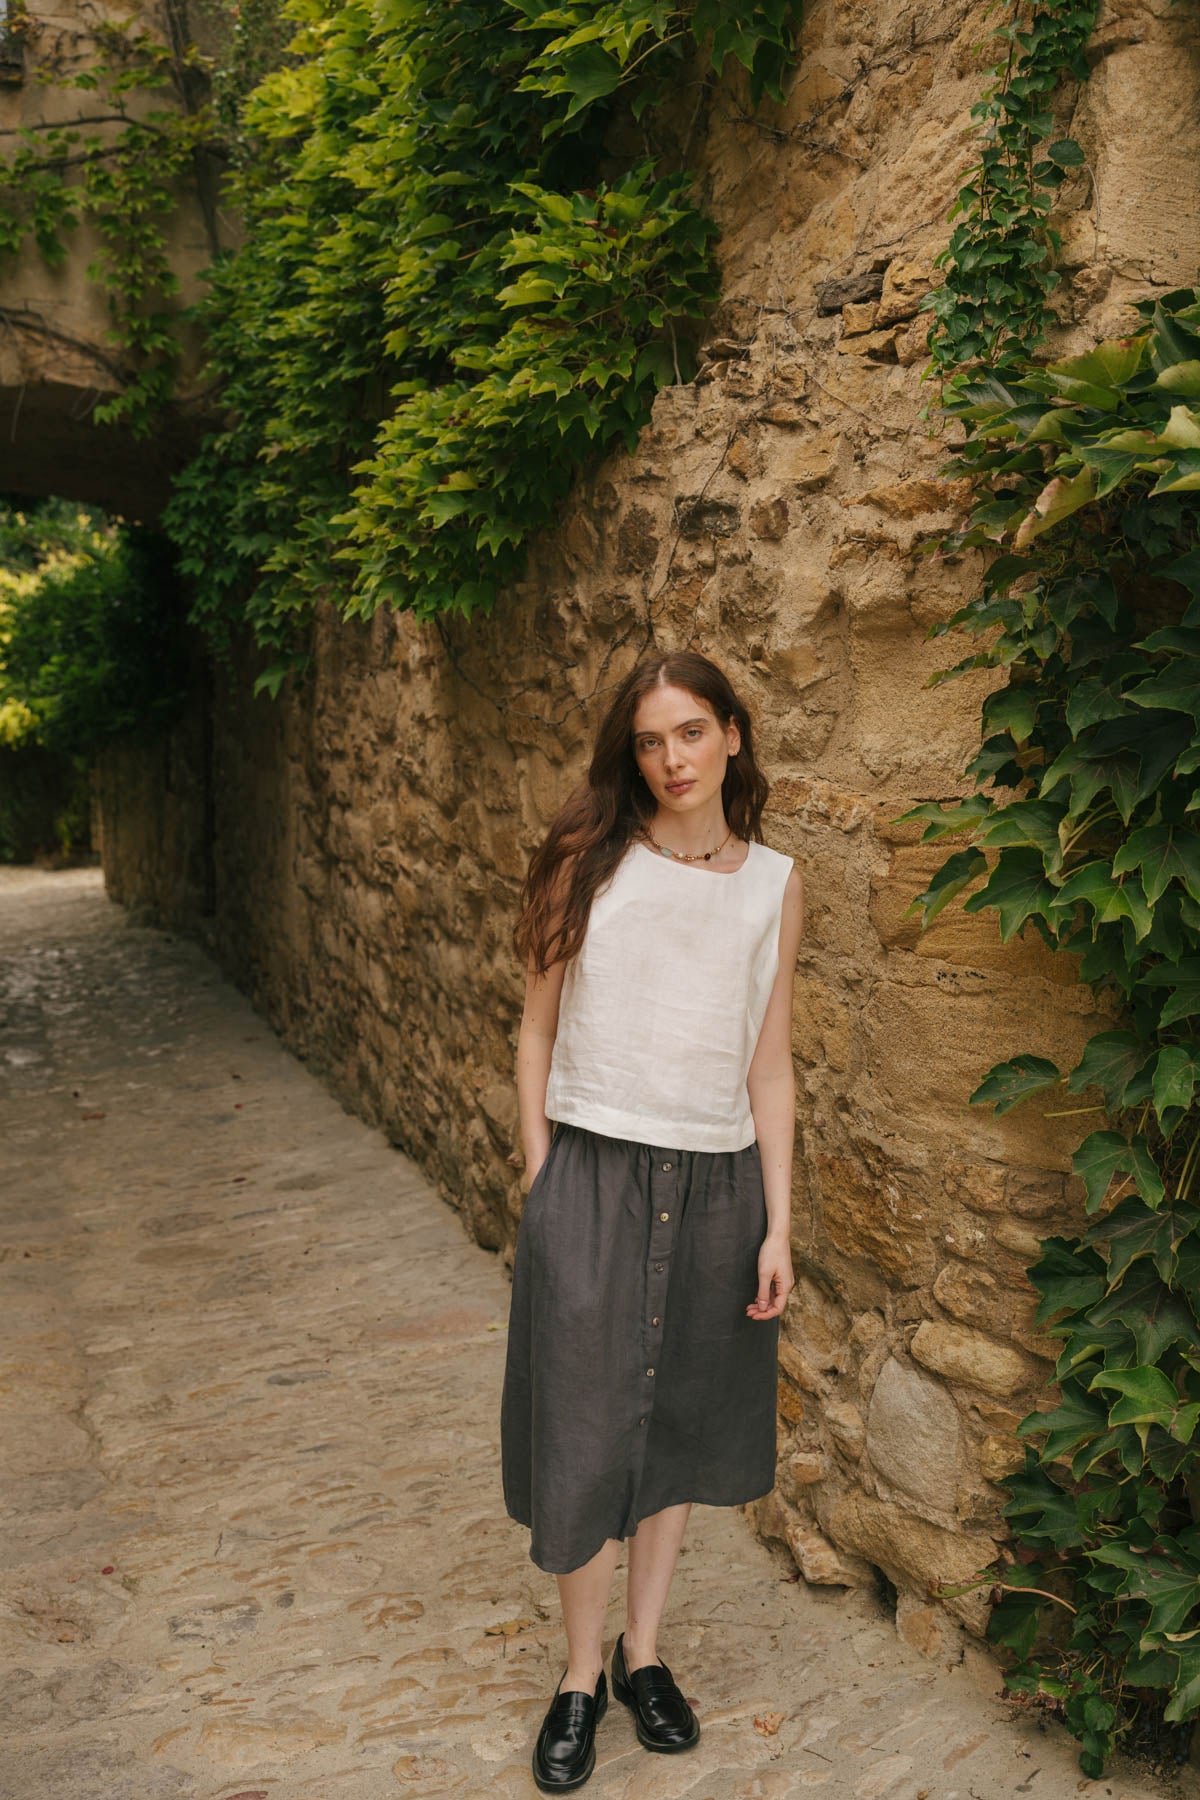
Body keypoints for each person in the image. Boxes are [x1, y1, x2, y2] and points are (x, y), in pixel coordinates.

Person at [501, 649, 805, 1793]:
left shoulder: (776, 883)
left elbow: (769, 1067)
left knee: (672, 1422)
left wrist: (778, 1224)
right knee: (583, 1432)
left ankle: (645, 1655)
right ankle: (579, 1677)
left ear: (732, 733)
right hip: (593, 1175)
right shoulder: (591, 863)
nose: (671, 759)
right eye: (648, 740)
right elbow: (535, 1033)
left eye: (690, 732)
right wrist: (543, 1181)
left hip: (721, 1184)